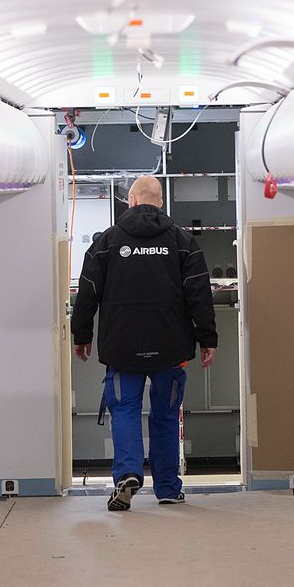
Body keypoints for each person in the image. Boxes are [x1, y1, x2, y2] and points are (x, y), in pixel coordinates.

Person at [71, 175, 218, 511]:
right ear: (161, 203)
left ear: (131, 201)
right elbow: (199, 293)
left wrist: (82, 335)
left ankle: (127, 474)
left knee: (124, 410)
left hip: (122, 349)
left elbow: (87, 289)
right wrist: (207, 338)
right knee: (166, 414)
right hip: (171, 349)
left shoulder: (107, 241)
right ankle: (167, 487)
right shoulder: (182, 241)